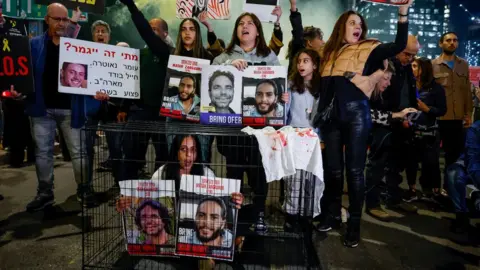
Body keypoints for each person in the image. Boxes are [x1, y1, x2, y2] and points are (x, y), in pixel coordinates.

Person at [314, 0, 412, 248]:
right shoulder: (328, 53)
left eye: (360, 24)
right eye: (352, 23)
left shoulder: (371, 49)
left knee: (355, 173)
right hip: (331, 120)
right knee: (333, 172)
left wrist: (402, 12)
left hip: (357, 117)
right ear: (341, 27)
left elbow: (399, 45)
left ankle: (354, 225)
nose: (358, 27)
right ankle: (333, 215)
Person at [15, 3, 100, 211]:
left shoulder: (77, 46)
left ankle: (84, 189)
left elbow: (92, 75)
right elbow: (24, 74)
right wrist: (19, 89)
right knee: (43, 153)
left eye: (65, 19)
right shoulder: (34, 45)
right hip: (41, 110)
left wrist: (98, 91)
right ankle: (45, 193)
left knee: (79, 153)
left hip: (71, 110)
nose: (61, 23)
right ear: (47, 20)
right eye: (57, 19)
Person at [213, 12, 281, 233]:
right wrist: (229, 66)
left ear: (258, 30)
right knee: (234, 173)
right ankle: (233, 215)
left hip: (260, 131)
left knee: (258, 173)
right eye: (240, 23)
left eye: (250, 23)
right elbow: (212, 74)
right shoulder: (225, 56)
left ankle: (259, 213)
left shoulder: (269, 56)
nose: (245, 26)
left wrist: (283, 96)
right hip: (233, 130)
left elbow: (278, 82)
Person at [365, 61, 418, 222]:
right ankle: (372, 205)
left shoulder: (383, 89)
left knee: (394, 165)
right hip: (374, 133)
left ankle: (392, 199)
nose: (389, 84)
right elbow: (369, 114)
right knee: (376, 167)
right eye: (386, 79)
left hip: (393, 129)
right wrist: (396, 115)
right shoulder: (364, 91)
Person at [282, 48, 323, 231]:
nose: (301, 65)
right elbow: (284, 115)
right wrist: (283, 102)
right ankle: (291, 216)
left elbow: (322, 116)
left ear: (314, 65)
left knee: (312, 180)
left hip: (313, 141)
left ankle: (307, 215)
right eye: (299, 61)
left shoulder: (321, 88)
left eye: (305, 61)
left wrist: (321, 139)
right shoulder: (290, 85)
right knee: (294, 180)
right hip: (294, 139)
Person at [433, 32, 474, 193]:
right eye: (448, 40)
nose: (452, 43)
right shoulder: (433, 65)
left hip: (456, 119)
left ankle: (449, 188)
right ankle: (433, 188)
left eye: (455, 40)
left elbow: (466, 92)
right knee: (433, 157)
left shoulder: (463, 64)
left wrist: (468, 114)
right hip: (438, 117)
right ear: (441, 44)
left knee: (453, 157)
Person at [405, 57, 447, 200]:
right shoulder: (408, 85)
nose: (412, 68)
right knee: (411, 162)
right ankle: (411, 190)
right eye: (412, 65)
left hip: (430, 132)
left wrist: (427, 109)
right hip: (410, 130)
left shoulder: (436, 88)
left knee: (431, 163)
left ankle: (433, 192)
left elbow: (442, 110)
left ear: (424, 69)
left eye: (415, 66)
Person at [446, 120, 480, 246]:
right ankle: (461, 216)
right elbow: (472, 160)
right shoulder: (476, 129)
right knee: (454, 173)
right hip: (474, 167)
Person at [285, 0, 324, 73]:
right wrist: (293, 7)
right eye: (320, 38)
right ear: (309, 42)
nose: (323, 42)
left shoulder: (318, 59)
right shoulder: (298, 50)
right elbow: (298, 30)